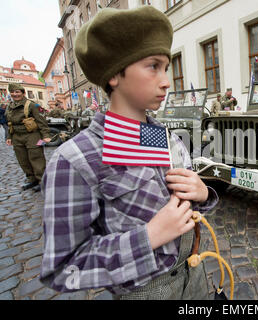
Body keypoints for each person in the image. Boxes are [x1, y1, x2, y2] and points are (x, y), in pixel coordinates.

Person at [40, 6, 218, 300]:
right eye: (153, 66)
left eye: (166, 67)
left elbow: (182, 209)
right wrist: (147, 238)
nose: (166, 81)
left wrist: (201, 194)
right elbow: (63, 267)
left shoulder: (165, 138)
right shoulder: (75, 159)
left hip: (195, 278)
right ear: (114, 75)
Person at [5, 83, 52, 191]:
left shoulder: (32, 105)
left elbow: (41, 121)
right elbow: (10, 123)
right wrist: (9, 137)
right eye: (12, 92)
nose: (14, 94)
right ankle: (31, 179)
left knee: (36, 158)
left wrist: (45, 135)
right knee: (23, 159)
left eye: (17, 92)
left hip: (32, 136)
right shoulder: (10, 107)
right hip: (17, 136)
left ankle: (42, 180)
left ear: (23, 93)